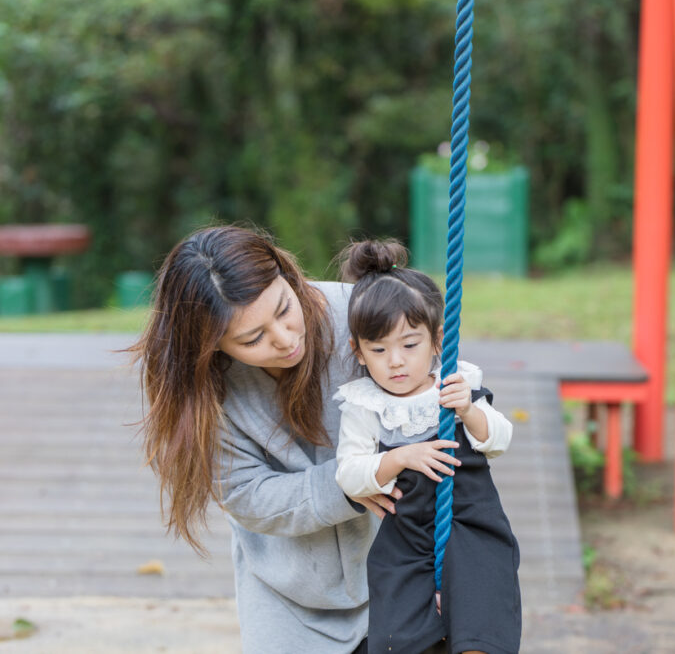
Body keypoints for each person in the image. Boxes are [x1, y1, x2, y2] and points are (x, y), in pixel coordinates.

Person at [132, 224, 401, 653]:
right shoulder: (205, 388)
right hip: (286, 596)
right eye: (252, 338)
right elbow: (247, 493)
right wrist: (349, 483)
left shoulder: (361, 313)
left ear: (286, 276)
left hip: (398, 568)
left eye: (283, 309)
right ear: (212, 346)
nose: (285, 338)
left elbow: (434, 387)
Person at [334, 239, 521, 654]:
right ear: (358, 352)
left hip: (470, 522)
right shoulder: (366, 405)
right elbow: (348, 473)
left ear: (437, 341)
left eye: (409, 345)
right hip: (403, 537)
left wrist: (469, 411)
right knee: (395, 638)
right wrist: (397, 458)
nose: (395, 361)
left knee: (480, 622)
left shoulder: (454, 386)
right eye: (379, 350)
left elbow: (499, 441)